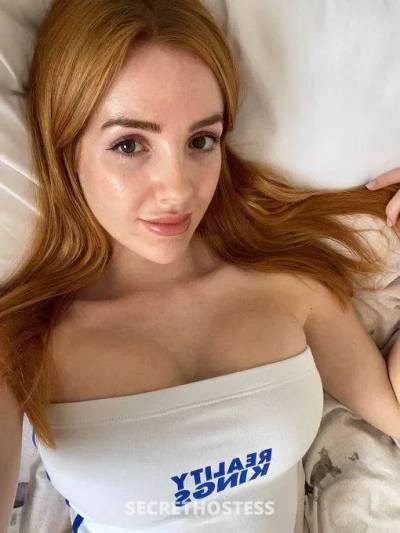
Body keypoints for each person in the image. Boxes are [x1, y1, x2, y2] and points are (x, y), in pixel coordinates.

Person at [0, 0, 399, 531]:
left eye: (201, 141)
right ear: (64, 145)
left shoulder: (287, 283)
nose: (178, 189)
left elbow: (392, 407)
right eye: (129, 144)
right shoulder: (24, 340)